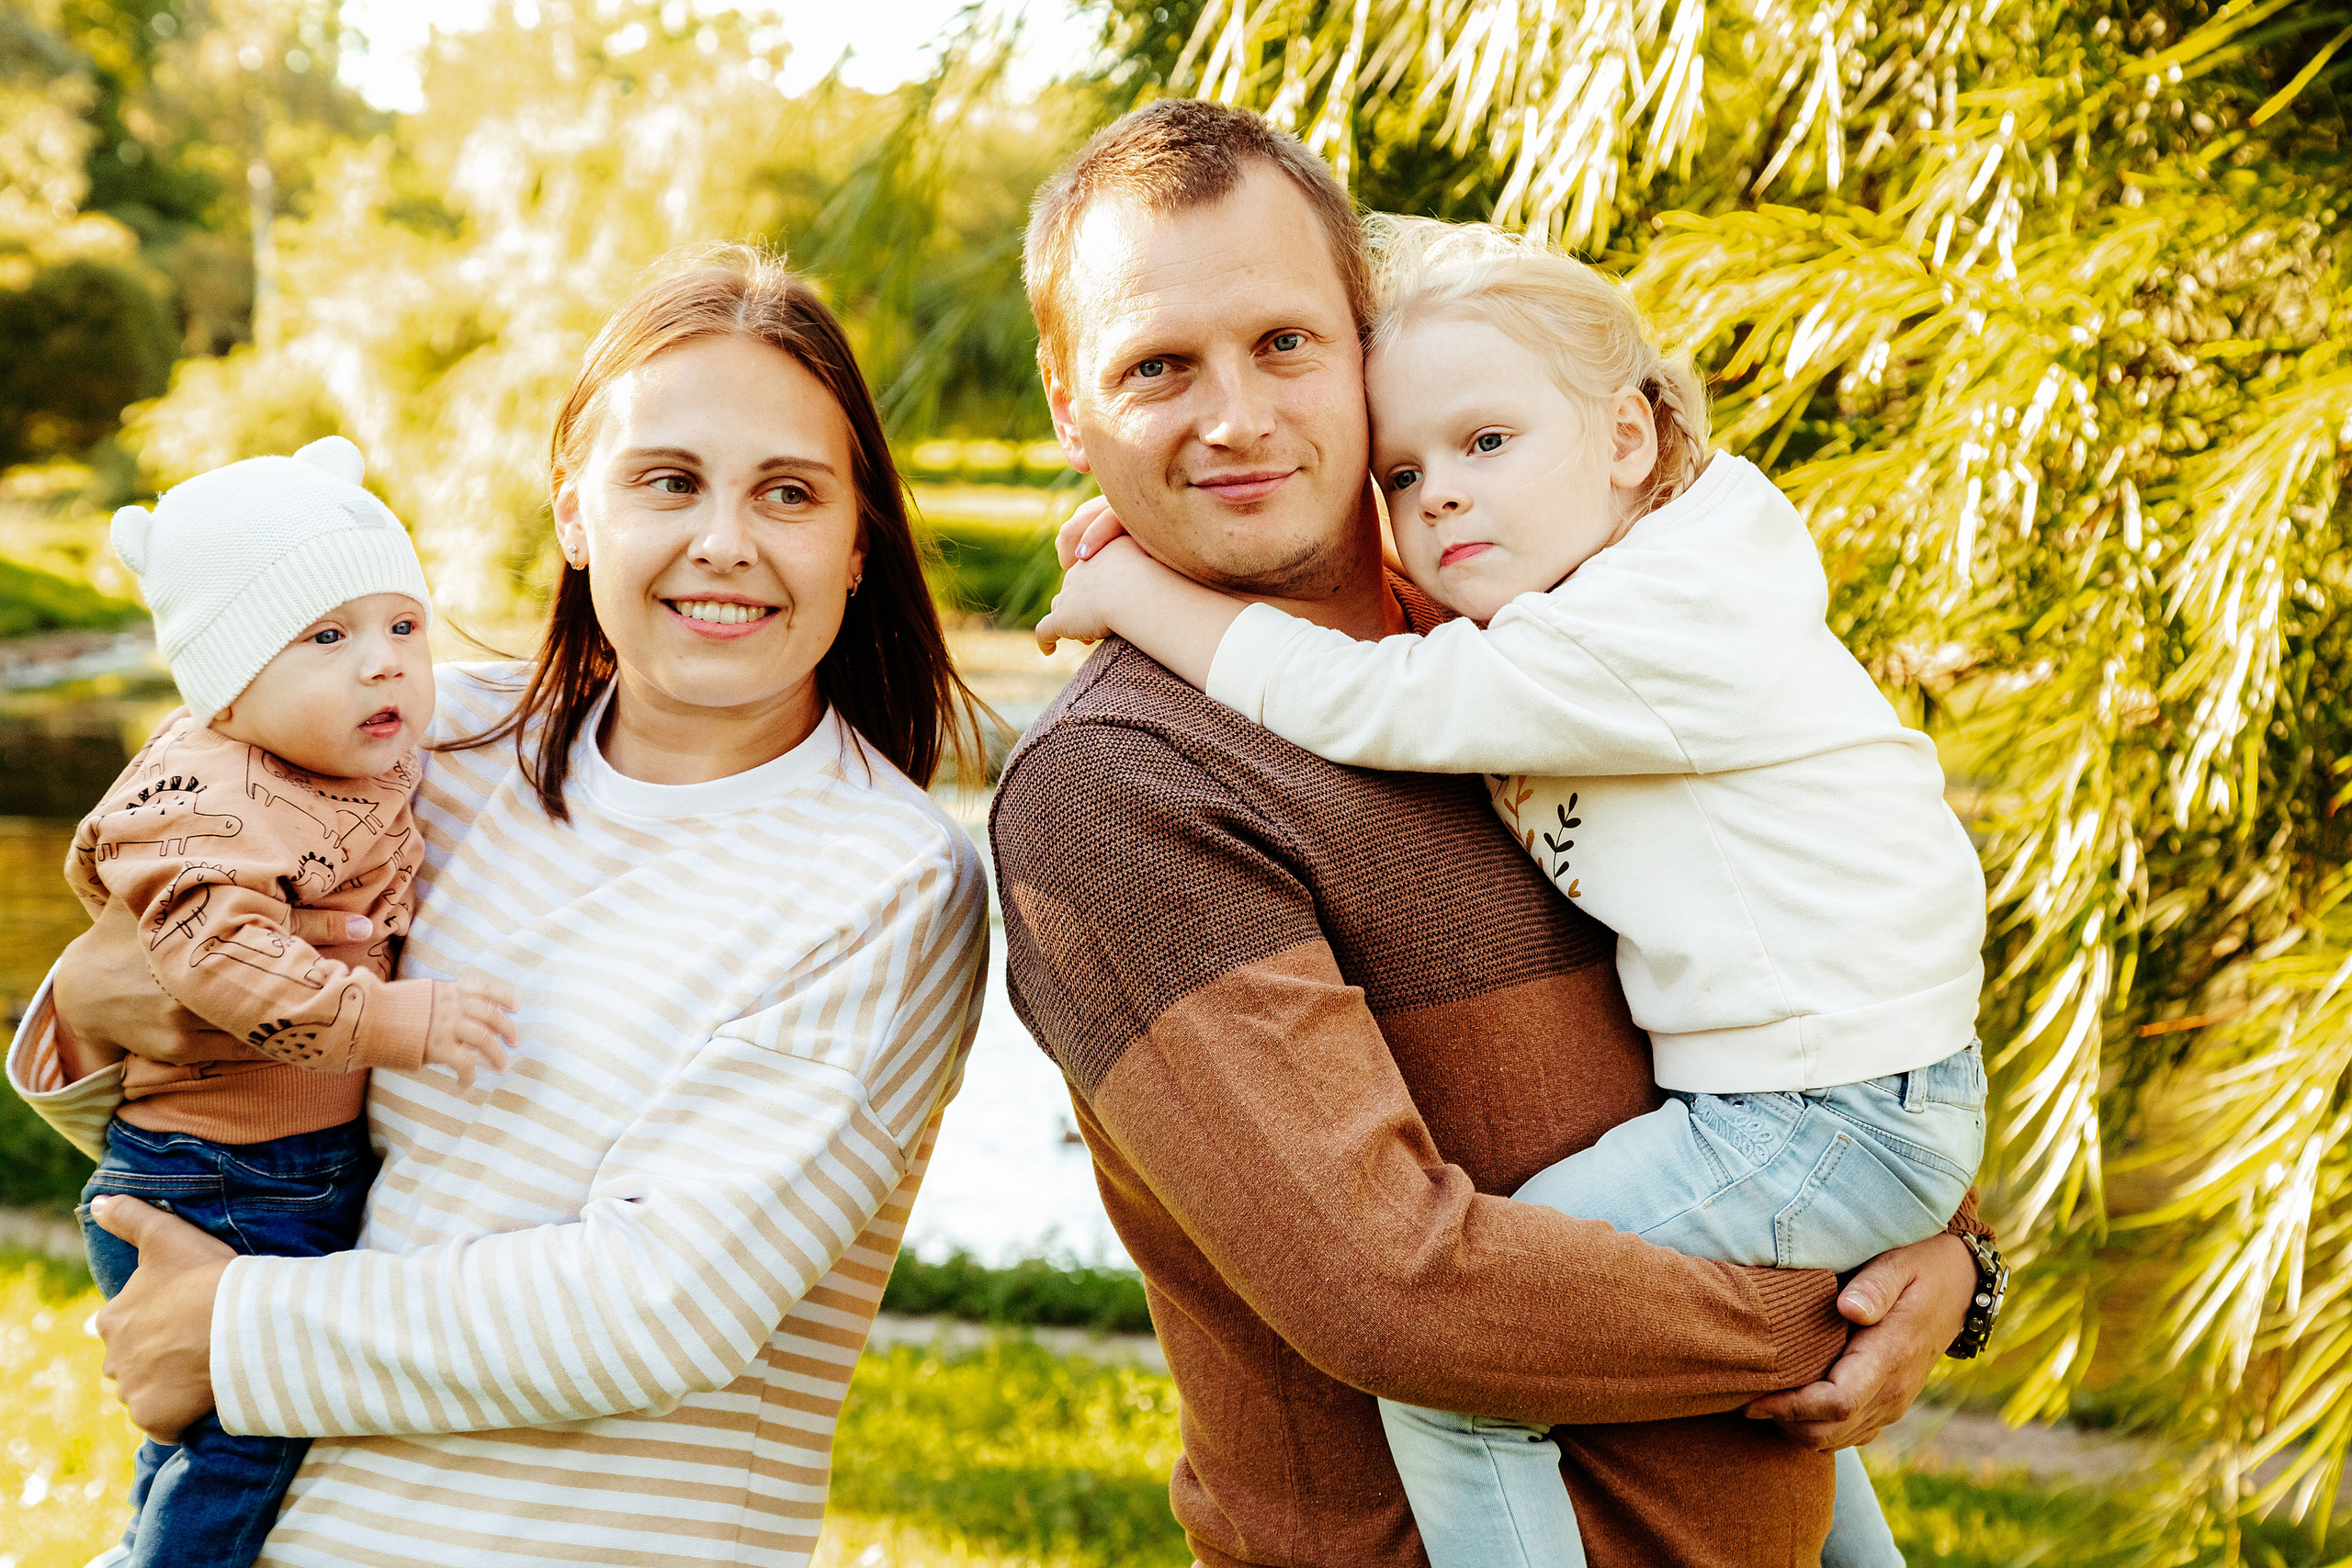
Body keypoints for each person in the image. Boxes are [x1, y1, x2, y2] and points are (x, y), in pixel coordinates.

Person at [989, 98, 1999, 1567]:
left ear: (1361, 342)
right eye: (1159, 365)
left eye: (1284, 342)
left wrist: (1946, 1248)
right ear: (1069, 401)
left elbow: (1803, 958)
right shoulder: (1126, 792)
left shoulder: (1519, 646)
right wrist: (1836, 1300)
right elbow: (1392, 1292)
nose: (1239, 415)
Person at [7, 246, 991, 1568]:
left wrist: (230, 1331)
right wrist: (89, 992)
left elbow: (658, 1306)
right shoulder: (424, 748)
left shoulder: (885, 878)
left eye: (790, 492)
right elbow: (166, 1026)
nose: (725, 541)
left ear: (858, 539)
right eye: (669, 479)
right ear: (576, 510)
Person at [53, 435, 514, 1568]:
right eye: (326, 637)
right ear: (228, 679)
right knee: (239, 1439)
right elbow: (224, 970)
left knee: (198, 1439)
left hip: (262, 1165)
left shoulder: (346, 741)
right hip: (219, 1175)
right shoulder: (205, 809)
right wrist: (400, 1022)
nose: (385, 666)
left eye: (403, 626)